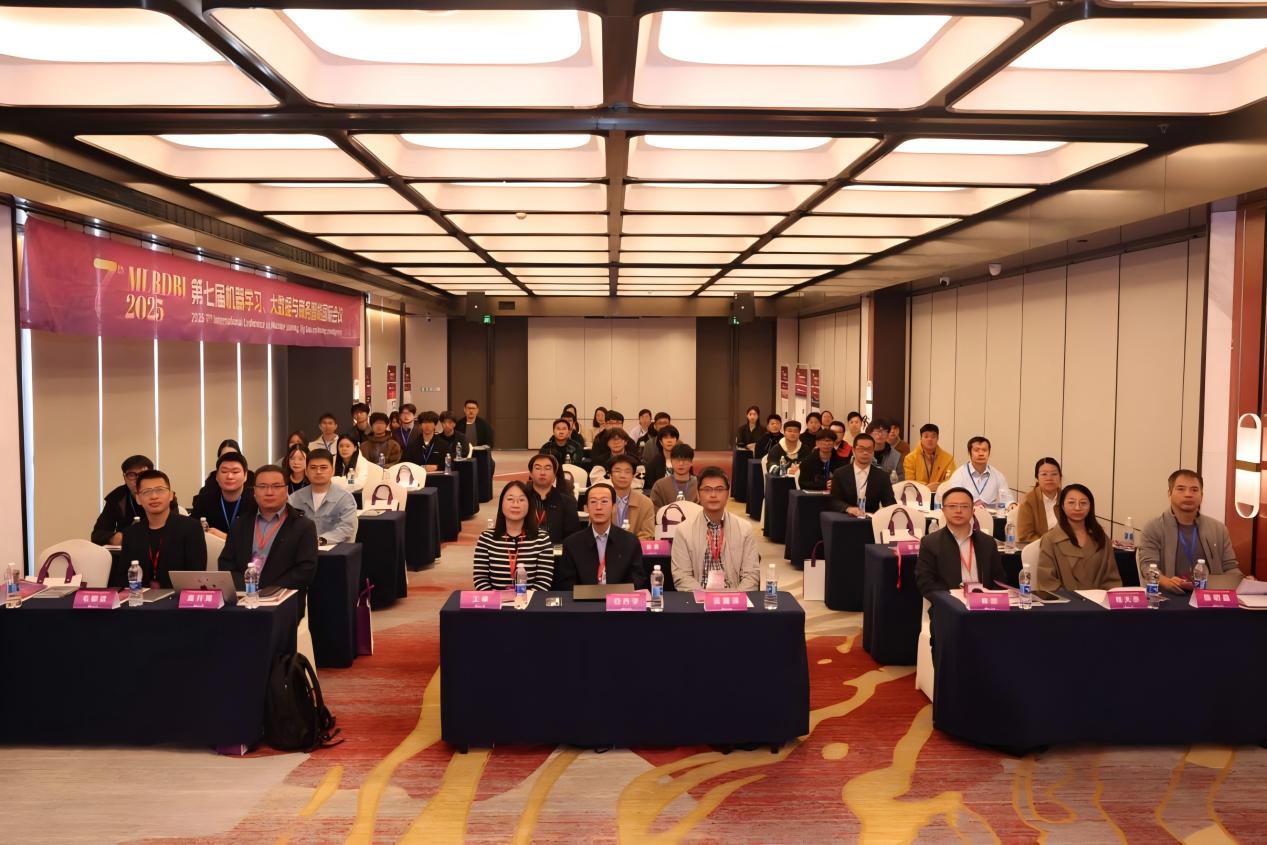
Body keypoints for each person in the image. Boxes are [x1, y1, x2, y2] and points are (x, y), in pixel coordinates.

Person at [219, 464, 318, 618]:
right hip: (243, 599)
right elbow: (226, 563)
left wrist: (266, 588)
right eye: (263, 486)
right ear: (254, 491)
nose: (269, 492)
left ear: (286, 490)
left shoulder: (303, 526)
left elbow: (306, 570)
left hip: (282, 602)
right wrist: (247, 587)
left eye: (276, 486)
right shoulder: (240, 523)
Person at [1138, 469, 1243, 592]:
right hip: (1169, 596)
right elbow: (1148, 567)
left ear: (1202, 495)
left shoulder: (1218, 529)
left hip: (1209, 596)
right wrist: (1167, 582)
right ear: (1169, 494)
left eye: (1194, 490)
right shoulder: (1154, 527)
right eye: (1181, 489)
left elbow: (1230, 567)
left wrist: (1242, 581)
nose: (1188, 494)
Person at [670, 467, 760, 591]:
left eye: (719, 489)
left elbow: (751, 575)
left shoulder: (745, 529)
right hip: (698, 597)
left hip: (734, 597)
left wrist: (735, 598)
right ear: (698, 494)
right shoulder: (683, 530)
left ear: (727, 494)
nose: (713, 495)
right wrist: (704, 598)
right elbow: (682, 576)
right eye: (707, 489)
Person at [119, 469, 206, 587]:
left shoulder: (191, 528)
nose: (154, 496)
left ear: (171, 495)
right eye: (147, 492)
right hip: (141, 596)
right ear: (138, 499)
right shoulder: (131, 533)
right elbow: (123, 578)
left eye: (159, 490)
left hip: (178, 595)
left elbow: (196, 575)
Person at [915, 486, 1008, 596]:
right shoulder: (930, 543)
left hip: (984, 602)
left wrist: (990, 600)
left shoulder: (987, 542)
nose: (958, 510)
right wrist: (953, 599)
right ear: (943, 510)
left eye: (964, 506)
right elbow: (926, 583)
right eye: (952, 506)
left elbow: (999, 581)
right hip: (950, 603)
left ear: (973, 510)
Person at [556, 482, 647, 589]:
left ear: (614, 507)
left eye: (604, 501)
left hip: (619, 598)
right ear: (586, 508)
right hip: (584, 598)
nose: (598, 507)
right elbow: (567, 585)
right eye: (593, 502)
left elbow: (637, 580)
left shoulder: (630, 541)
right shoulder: (572, 544)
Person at [1035, 484, 1122, 592]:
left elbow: (1112, 580)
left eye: (1083, 503)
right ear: (1062, 506)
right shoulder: (1050, 539)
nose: (1077, 508)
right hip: (1065, 600)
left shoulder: (1101, 537)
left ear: (1090, 507)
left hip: (1099, 600)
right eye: (1071, 503)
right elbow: (1047, 581)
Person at [472, 481, 555, 591]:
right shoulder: (486, 538)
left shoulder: (542, 538)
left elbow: (544, 580)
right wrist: (496, 599)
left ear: (529, 505)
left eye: (521, 500)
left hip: (530, 600)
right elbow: (480, 578)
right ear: (501, 503)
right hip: (495, 601)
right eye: (510, 499)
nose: (515, 504)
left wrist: (523, 598)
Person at [288, 450, 358, 545]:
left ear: (332, 471)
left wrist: (318, 541)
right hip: (302, 550)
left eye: (323, 467)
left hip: (334, 550)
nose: (318, 471)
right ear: (306, 471)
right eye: (313, 467)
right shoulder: (294, 499)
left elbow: (347, 529)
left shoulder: (345, 498)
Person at [192, 452, 256, 539]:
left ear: (245, 476)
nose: (229, 476)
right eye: (224, 471)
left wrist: (224, 537)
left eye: (235, 472)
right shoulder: (204, 501)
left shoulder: (256, 502)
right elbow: (191, 532)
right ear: (217, 476)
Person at [828, 433, 896, 516]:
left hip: (870, 520)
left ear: (873, 452)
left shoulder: (882, 476)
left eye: (869, 449)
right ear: (853, 451)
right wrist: (848, 508)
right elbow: (834, 501)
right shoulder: (840, 473)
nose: (865, 453)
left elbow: (890, 503)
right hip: (846, 519)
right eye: (861, 449)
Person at [91, 454, 152, 545]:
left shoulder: (163, 496)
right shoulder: (117, 497)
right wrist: (113, 538)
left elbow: (172, 529)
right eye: (131, 475)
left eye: (143, 474)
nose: (137, 479)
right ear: (125, 478)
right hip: (126, 548)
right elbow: (97, 535)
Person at [526, 453, 581, 544]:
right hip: (526, 549)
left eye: (547, 468)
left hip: (556, 550)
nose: (542, 473)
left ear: (554, 475)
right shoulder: (522, 499)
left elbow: (573, 536)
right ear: (531, 474)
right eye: (538, 468)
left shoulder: (566, 502)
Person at [943, 436, 1013, 508]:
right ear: (969, 453)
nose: (981, 454)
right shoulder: (959, 475)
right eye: (976, 450)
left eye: (984, 450)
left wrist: (1011, 504)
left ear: (989, 453)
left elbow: (1007, 499)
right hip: (966, 512)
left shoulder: (997, 475)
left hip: (990, 513)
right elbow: (955, 499)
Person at [1015, 457, 1062, 543]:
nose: (1049, 478)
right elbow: (1025, 536)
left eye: (1054, 474)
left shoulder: (1067, 498)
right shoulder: (1028, 500)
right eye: (1044, 474)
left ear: (1060, 477)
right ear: (1037, 477)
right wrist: (1049, 544)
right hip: (1039, 547)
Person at [608, 454, 655, 540]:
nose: (622, 475)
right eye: (617, 471)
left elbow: (647, 534)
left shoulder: (645, 503)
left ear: (633, 476)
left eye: (627, 472)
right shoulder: (601, 501)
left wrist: (630, 545)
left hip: (636, 547)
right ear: (610, 475)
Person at [902, 423, 956, 493]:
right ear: (921, 438)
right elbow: (909, 482)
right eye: (926, 436)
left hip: (940, 494)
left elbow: (951, 480)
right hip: (918, 495)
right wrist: (926, 487)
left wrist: (939, 487)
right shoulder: (910, 458)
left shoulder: (948, 458)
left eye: (933, 437)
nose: (930, 439)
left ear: (938, 438)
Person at [650, 443, 698, 509]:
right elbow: (654, 509)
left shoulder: (699, 484)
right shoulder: (660, 485)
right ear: (671, 461)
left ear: (691, 462)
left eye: (685, 460)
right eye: (677, 459)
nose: (681, 463)